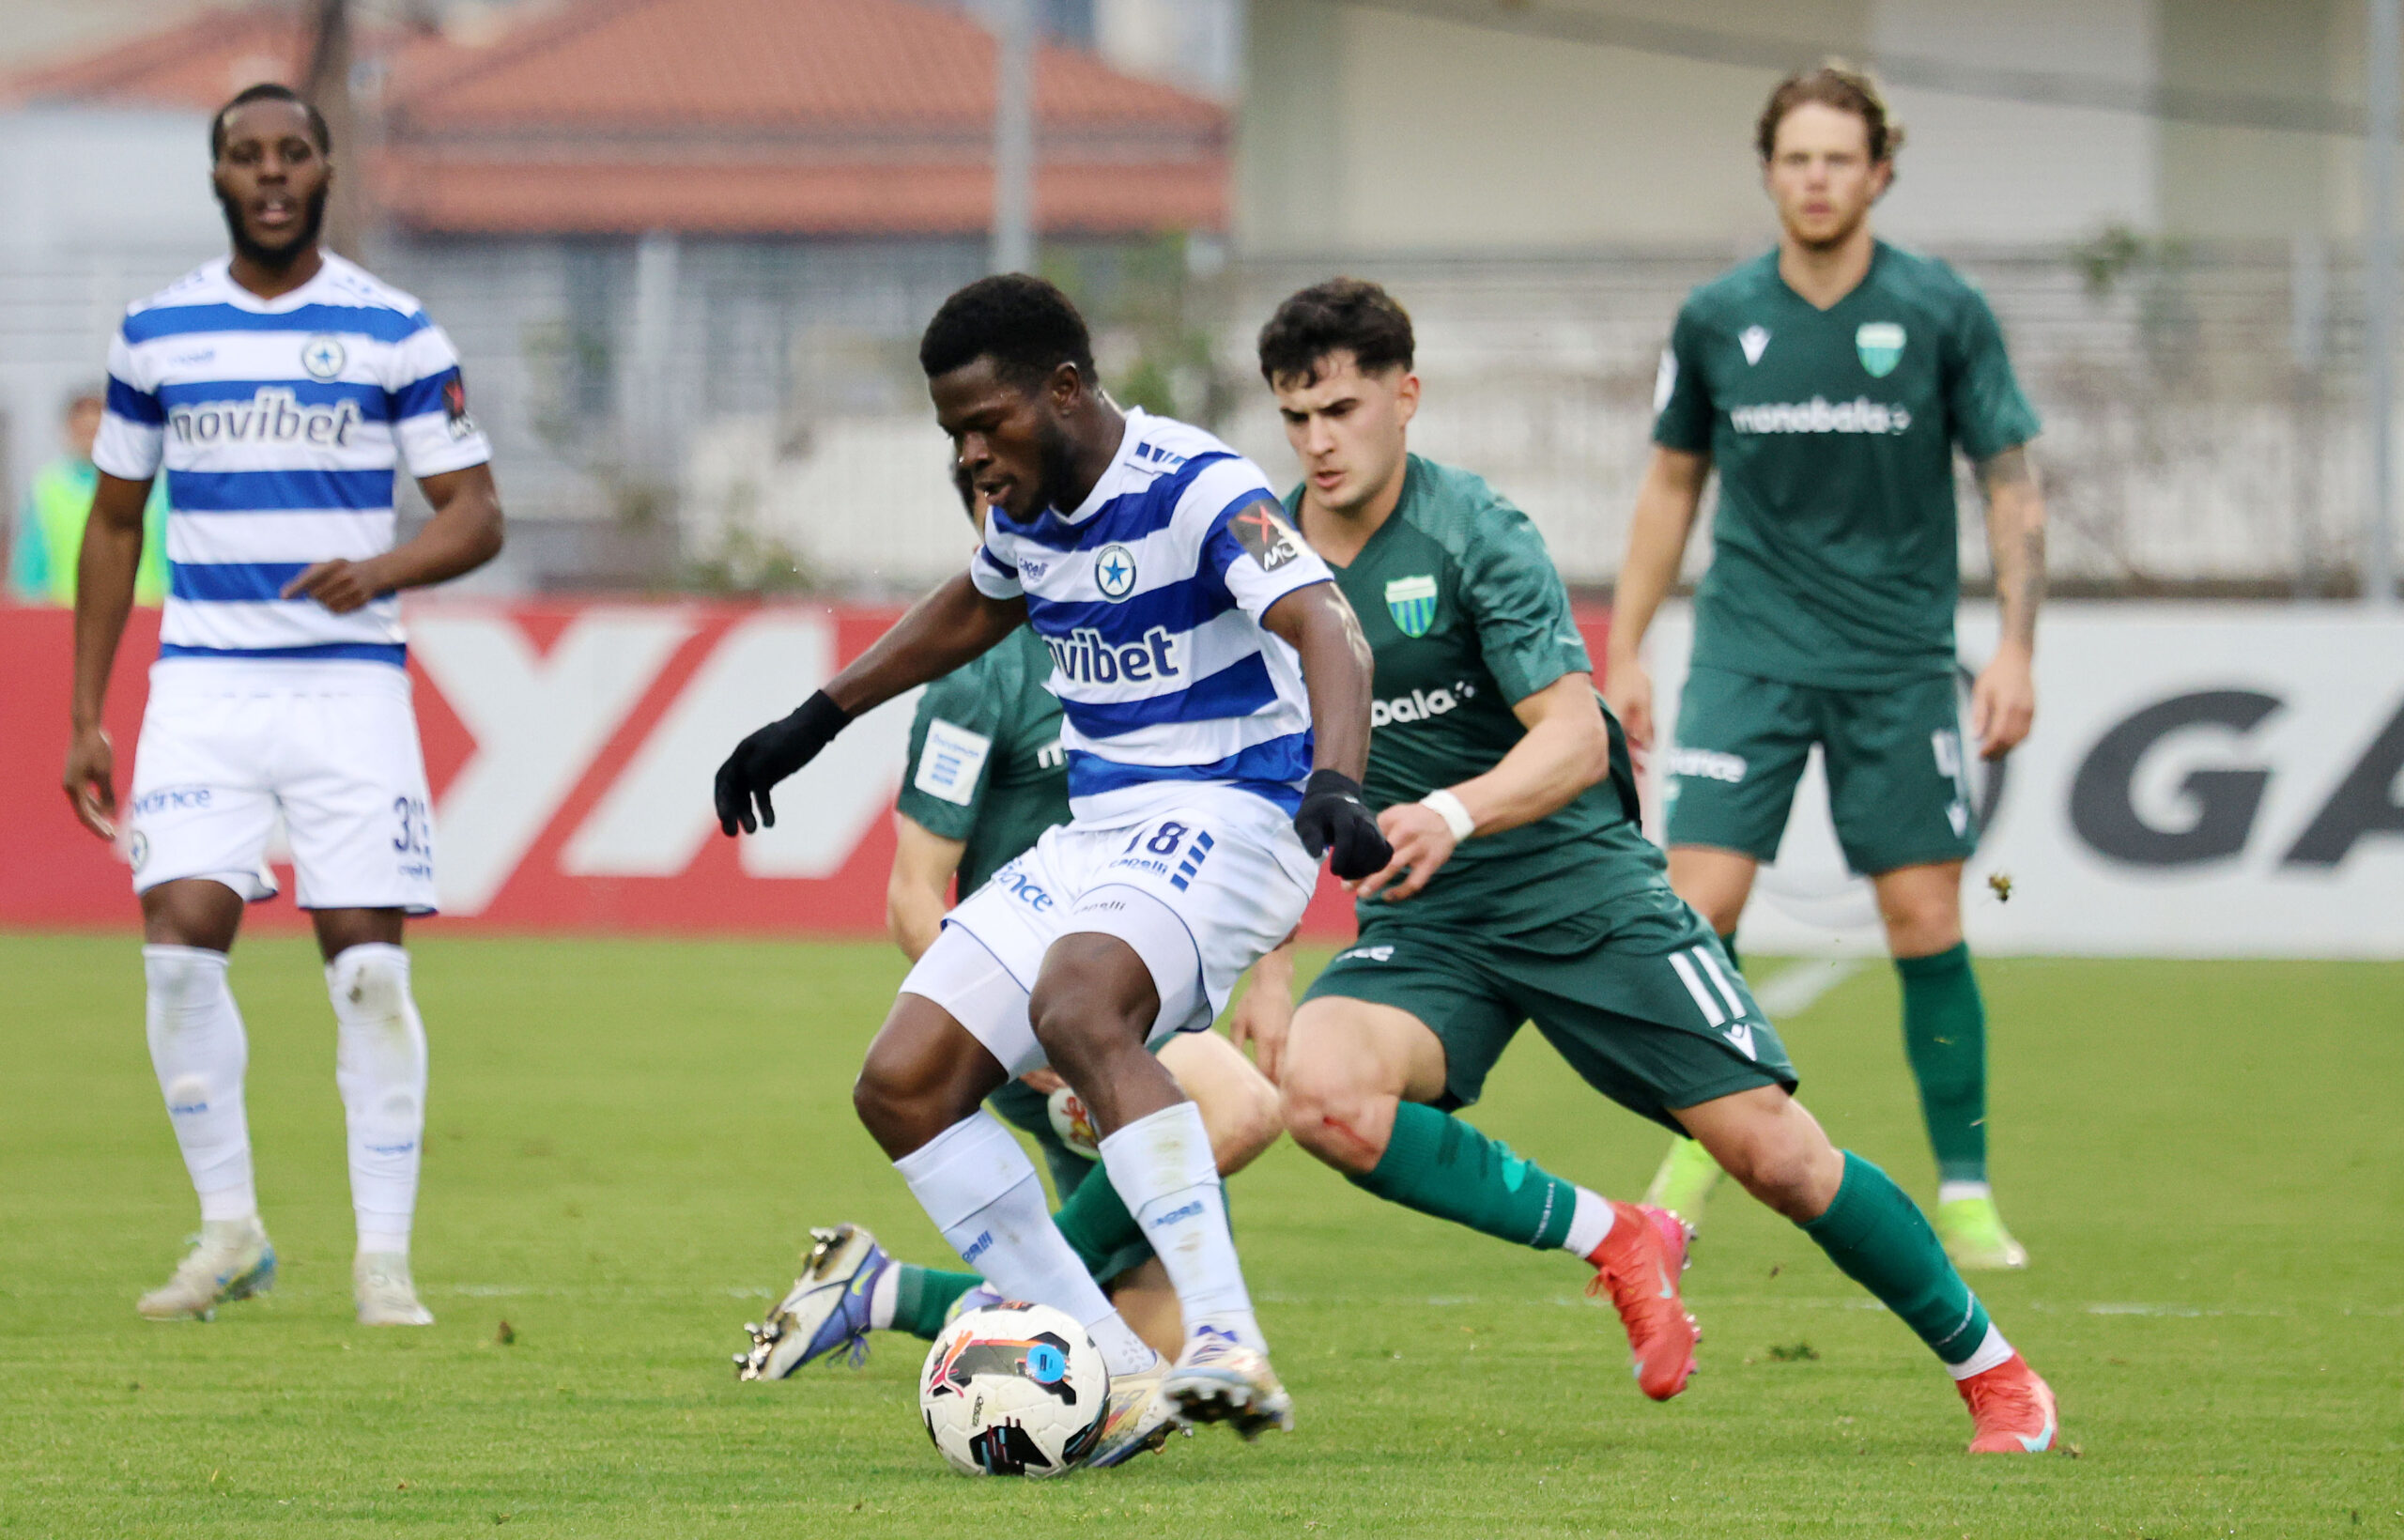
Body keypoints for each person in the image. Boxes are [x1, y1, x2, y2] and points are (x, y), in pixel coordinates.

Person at [1252, 276, 2057, 1452]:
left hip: (1578, 890)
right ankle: (1617, 1235)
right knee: (1321, 1091)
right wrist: (1272, 963)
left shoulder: (1474, 530)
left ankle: (1996, 1372)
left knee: (1777, 1157)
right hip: (1430, 925)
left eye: (1341, 408)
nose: (1319, 440)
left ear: (1405, 395)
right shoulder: (1268, 564)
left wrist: (1452, 813)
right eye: (1295, 416)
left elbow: (1576, 738)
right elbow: (1274, 771)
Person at [713, 273, 1389, 1465]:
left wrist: (1338, 777)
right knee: (903, 1082)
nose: (972, 455)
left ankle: (1228, 1336)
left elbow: (1326, 623)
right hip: (1102, 833)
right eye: (954, 434)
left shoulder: (1195, 484)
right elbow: (975, 605)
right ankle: (1117, 1373)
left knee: (1077, 1002)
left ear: (1064, 389)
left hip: (1236, 813)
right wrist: (815, 719)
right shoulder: (1025, 512)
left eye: (987, 424)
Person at [62, 85, 504, 1327]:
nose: (270, 173)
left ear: (324, 171)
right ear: (217, 177)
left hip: (348, 688)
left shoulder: (392, 328)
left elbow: (477, 513)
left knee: (366, 971)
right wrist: (87, 712)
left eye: (293, 153)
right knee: (176, 955)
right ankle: (231, 1232)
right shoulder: (157, 332)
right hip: (202, 685)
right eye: (247, 155)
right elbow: (113, 522)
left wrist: (382, 568)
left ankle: (383, 1262)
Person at [1607, 65, 2048, 1271]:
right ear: (1768, 171)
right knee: (1696, 908)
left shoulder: (1941, 309)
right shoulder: (1716, 316)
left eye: (1838, 159)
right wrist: (1627, 647)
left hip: (1896, 661)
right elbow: (1670, 485)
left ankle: (1966, 1191)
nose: (1815, 179)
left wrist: (2015, 645)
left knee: (1924, 916)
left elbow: (2009, 482)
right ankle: (1696, 1159)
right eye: (1795, 158)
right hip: (1746, 652)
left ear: (1879, 173)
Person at [735, 472, 1288, 1387]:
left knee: (1146, 1358)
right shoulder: (977, 679)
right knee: (1241, 1107)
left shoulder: (1152, 637)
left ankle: (887, 1290)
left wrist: (1270, 972)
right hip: (1052, 1011)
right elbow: (913, 892)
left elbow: (1231, 804)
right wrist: (1025, 1023)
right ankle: (951, 1299)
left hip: (1140, 970)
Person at [9, 388, 168, 606]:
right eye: (83, 431)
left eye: (95, 430)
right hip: (66, 615)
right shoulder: (46, 489)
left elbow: (171, 557)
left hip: (142, 614)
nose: (90, 439)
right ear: (69, 430)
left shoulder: (153, 487)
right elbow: (28, 571)